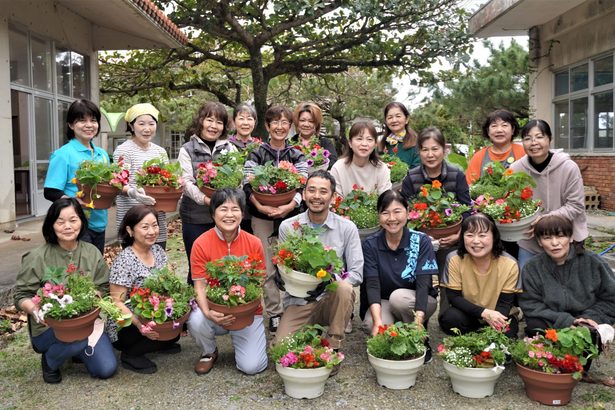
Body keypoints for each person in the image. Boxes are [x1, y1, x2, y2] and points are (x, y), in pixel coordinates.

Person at [14, 198, 117, 383]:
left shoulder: (92, 252)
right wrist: (35, 310)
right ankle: (50, 360)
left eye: (73, 220)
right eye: (60, 222)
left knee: (106, 368)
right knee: (78, 339)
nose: (67, 226)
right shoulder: (37, 256)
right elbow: (21, 295)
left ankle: (75, 350)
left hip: (86, 322)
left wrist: (95, 296)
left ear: (82, 222)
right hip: (49, 326)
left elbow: (103, 287)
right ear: (51, 225)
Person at [273, 170, 363, 351]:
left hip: (331, 299)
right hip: (300, 300)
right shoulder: (289, 226)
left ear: (333, 197)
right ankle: (309, 334)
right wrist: (281, 274)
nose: (316, 196)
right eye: (311, 190)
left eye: (323, 191)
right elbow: (284, 264)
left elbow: (356, 273)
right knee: (281, 350)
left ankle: (333, 345)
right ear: (304, 194)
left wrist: (330, 281)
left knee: (344, 287)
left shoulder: (347, 228)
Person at [520, 215, 615, 378]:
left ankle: (578, 367)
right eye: (547, 237)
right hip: (553, 321)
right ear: (539, 242)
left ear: (571, 237)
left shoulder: (593, 262)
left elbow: (611, 298)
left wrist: (586, 318)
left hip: (587, 320)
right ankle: (547, 361)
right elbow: (531, 304)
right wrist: (566, 320)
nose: (555, 243)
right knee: (534, 324)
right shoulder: (532, 267)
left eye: (560, 236)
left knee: (586, 337)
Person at [187, 189, 268, 375]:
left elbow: (259, 282)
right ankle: (209, 351)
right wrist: (208, 312)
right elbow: (199, 284)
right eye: (223, 209)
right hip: (215, 311)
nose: (229, 215)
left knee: (252, 367)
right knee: (196, 319)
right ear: (213, 212)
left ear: (242, 212)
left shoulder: (254, 242)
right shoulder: (201, 243)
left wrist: (243, 306)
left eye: (235, 209)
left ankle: (243, 338)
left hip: (246, 314)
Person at [243, 105, 308, 332]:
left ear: (290, 127)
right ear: (268, 126)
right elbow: (247, 184)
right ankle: (274, 312)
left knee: (291, 263)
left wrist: (289, 205)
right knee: (266, 266)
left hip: (291, 217)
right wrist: (260, 204)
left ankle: (294, 309)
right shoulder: (257, 152)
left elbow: (302, 183)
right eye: (275, 123)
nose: (280, 127)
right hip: (261, 216)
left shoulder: (296, 153)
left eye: (284, 123)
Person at [361, 190, 438, 361]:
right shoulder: (370, 244)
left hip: (415, 300)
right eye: (385, 212)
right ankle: (399, 342)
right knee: (370, 324)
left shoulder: (421, 241)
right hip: (385, 301)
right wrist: (377, 322)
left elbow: (423, 284)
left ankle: (419, 338)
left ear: (408, 211)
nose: (392, 218)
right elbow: (372, 284)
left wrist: (418, 321)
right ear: (379, 216)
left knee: (399, 298)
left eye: (397, 211)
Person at [108, 205, 180, 374]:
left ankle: (158, 342)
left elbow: (169, 283)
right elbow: (116, 302)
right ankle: (130, 355)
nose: (152, 231)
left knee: (174, 332)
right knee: (162, 334)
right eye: (145, 227)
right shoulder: (125, 260)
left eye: (154, 225)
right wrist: (141, 325)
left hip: (153, 312)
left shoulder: (157, 251)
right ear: (130, 230)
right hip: (128, 323)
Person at [510, 119, 588, 268]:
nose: (534, 142)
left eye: (539, 137)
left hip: (566, 239)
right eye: (527, 138)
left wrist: (544, 220)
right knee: (528, 284)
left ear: (550, 139)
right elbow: (513, 204)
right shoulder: (515, 170)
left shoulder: (568, 167)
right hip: (530, 241)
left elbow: (575, 205)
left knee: (569, 286)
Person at [178, 102, 238, 285]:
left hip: (224, 218)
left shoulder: (230, 149)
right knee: (197, 265)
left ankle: (221, 303)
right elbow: (186, 182)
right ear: (201, 121)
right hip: (195, 217)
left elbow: (237, 179)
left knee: (224, 265)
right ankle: (196, 308)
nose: (213, 126)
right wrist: (205, 199)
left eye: (219, 122)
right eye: (209, 120)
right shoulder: (187, 149)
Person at [439, 213, 521, 338]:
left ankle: (480, 335)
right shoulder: (454, 259)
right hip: (468, 312)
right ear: (462, 237)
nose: (476, 241)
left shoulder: (510, 263)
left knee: (507, 331)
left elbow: (505, 303)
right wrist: (484, 313)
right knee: (451, 319)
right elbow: (454, 297)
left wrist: (493, 320)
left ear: (494, 237)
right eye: (470, 235)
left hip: (498, 313)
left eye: (482, 235)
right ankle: (480, 335)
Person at [401, 127, 472, 271]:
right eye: (425, 150)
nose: (430, 155)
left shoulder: (457, 175)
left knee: (450, 280)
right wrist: (422, 236)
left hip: (452, 242)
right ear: (419, 152)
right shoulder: (411, 177)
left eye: (435, 149)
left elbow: (466, 208)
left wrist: (459, 235)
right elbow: (405, 212)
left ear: (444, 150)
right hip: (420, 243)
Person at [44, 99, 110, 253]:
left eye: (93, 120)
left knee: (94, 269)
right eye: (82, 120)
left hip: (100, 221)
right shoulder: (63, 154)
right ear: (71, 125)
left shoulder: (102, 154)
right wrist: (74, 201)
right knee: (80, 271)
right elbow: (51, 191)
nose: (89, 125)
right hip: (75, 225)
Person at [113, 103, 169, 249]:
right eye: (141, 123)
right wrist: (133, 192)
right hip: (133, 221)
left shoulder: (160, 152)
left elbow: (168, 180)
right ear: (131, 126)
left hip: (156, 221)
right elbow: (117, 183)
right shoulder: (123, 151)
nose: (147, 128)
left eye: (151, 123)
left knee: (157, 265)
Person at [330, 121, 392, 197]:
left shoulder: (381, 168)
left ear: (375, 144)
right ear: (350, 143)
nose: (364, 144)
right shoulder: (338, 168)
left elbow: (386, 200)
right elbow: (335, 200)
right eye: (359, 139)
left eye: (369, 139)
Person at [466, 109, 525, 184]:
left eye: (504, 125)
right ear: (488, 131)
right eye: (494, 126)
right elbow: (470, 186)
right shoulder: (478, 157)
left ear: (513, 130)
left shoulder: (523, 152)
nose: (499, 130)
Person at [228, 103, 261, 234]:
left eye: (249, 118)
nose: (245, 123)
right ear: (234, 121)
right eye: (241, 118)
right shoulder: (226, 146)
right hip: (232, 201)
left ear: (255, 122)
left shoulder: (261, 147)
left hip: (255, 204)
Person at [289, 102, 338, 169]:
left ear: (316, 124)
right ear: (297, 122)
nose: (306, 124)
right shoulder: (289, 144)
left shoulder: (325, 143)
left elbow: (332, 165)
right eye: (302, 120)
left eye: (311, 121)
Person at [378, 102, 420, 168]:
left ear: (407, 119)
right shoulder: (382, 144)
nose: (394, 120)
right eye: (390, 117)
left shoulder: (417, 143)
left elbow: (419, 170)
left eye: (398, 116)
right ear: (386, 121)